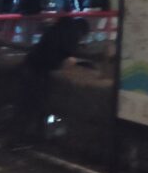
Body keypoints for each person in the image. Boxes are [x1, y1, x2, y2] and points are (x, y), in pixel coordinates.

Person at [10, 15, 90, 147]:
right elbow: (64, 54)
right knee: (33, 105)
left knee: (24, 105)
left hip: (30, 65)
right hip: (39, 70)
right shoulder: (71, 35)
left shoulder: (58, 28)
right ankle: (26, 137)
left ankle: (19, 136)